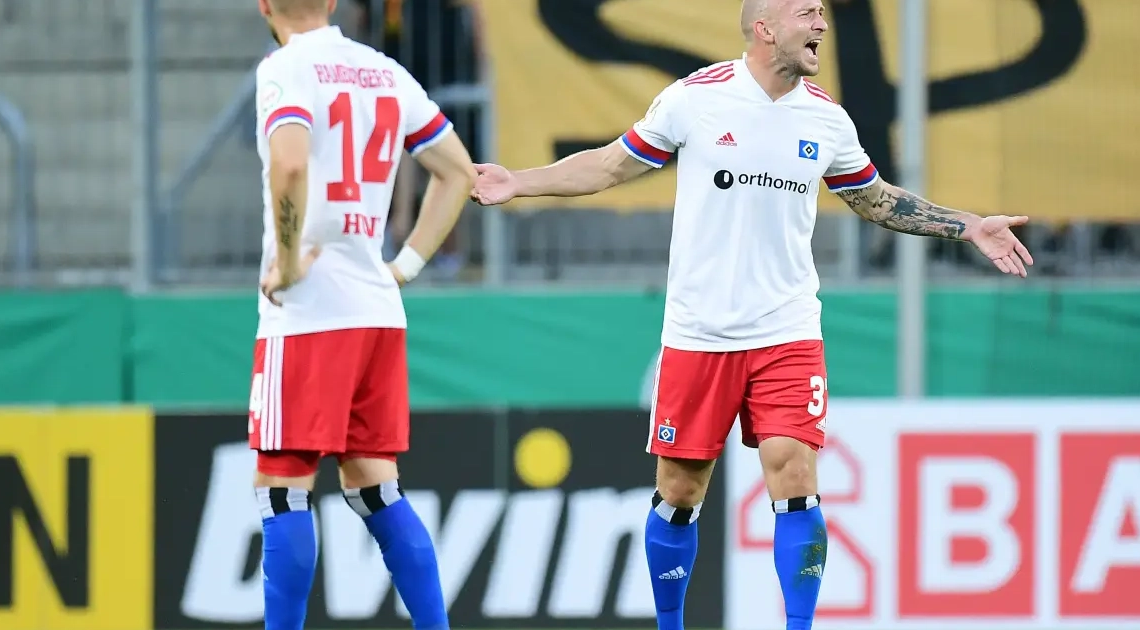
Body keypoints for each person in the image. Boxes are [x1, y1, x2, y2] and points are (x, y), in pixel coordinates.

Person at [469, 1, 1033, 629]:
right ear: (765, 28)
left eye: (822, 13)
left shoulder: (828, 119)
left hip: (787, 330)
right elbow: (608, 165)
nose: (821, 24)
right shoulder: (695, 99)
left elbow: (874, 199)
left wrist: (967, 225)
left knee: (794, 470)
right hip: (699, 333)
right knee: (681, 491)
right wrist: (519, 181)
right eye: (806, 13)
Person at [249, 1, 477, 629]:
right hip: (375, 309)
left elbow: (290, 162)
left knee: (282, 489)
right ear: (332, 1)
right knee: (376, 488)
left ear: (263, 4)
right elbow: (457, 172)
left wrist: (288, 262)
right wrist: (403, 266)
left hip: (308, 312)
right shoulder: (383, 70)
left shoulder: (284, 68)